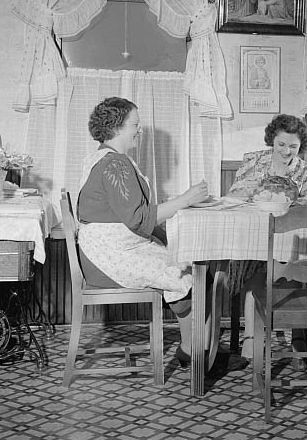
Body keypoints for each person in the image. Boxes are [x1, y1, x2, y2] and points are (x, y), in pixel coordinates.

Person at [76, 96, 246, 372]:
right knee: (189, 274)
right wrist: (185, 199)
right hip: (108, 259)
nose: (139, 130)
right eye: (135, 124)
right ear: (117, 126)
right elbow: (138, 217)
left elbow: (131, 215)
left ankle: (195, 349)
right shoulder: (115, 164)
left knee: (191, 269)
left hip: (111, 250)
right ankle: (198, 355)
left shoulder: (104, 158)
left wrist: (171, 233)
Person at [227, 114, 307, 368]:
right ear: (272, 141)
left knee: (299, 270)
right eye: (281, 144)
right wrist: (259, 190)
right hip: (254, 238)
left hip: (290, 240)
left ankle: (299, 340)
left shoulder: (306, 171)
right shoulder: (254, 161)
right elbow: (234, 198)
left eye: (293, 146)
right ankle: (251, 340)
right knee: (258, 271)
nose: (286, 151)